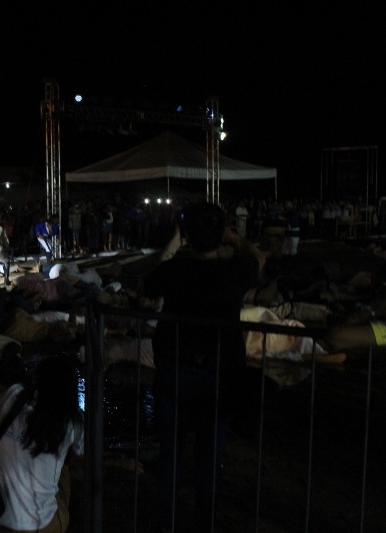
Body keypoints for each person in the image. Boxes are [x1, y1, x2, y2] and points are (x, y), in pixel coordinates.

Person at [142, 201, 265, 532]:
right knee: (210, 458)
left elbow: (147, 281)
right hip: (219, 375)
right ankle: (204, 523)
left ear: (187, 234)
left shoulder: (175, 270)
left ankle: (166, 522)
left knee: (170, 454)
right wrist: (235, 239)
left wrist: (173, 244)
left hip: (174, 371)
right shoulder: (233, 271)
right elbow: (258, 257)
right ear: (220, 234)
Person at [0, 356, 84, 533]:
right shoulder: (73, 421)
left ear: (37, 380)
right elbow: (79, 455)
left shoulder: (14, 396)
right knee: (64, 467)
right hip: (41, 525)